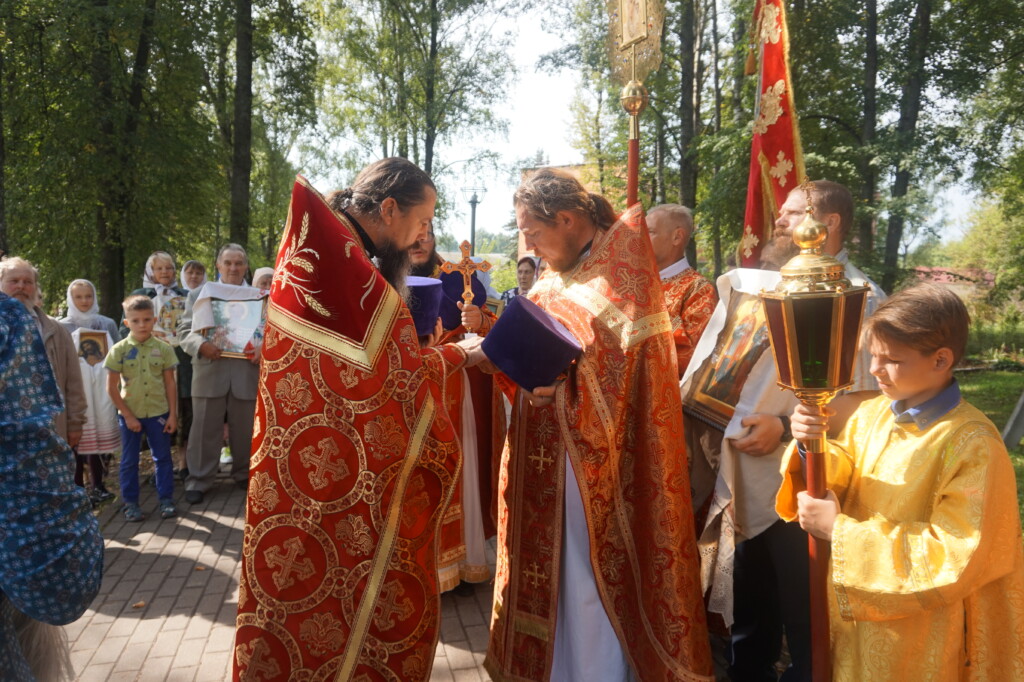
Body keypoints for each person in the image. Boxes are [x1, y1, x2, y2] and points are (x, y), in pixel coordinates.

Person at [234, 159, 487, 680]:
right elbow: (398, 379)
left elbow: (380, 373)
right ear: (388, 209)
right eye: (423, 219)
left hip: (317, 475)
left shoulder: (338, 255)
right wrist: (465, 355)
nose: (424, 234)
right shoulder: (343, 270)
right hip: (327, 483)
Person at [483, 168, 713, 681]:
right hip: (536, 452)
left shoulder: (622, 269)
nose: (533, 248)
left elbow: (630, 377)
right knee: (545, 575)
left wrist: (562, 386)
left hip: (591, 468)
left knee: (585, 578)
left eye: (535, 233)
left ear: (566, 219)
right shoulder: (555, 270)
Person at [682, 180, 884, 681]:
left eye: (792, 213)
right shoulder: (763, 287)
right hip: (747, 478)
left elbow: (865, 401)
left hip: (810, 483)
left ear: (828, 223)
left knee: (807, 616)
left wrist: (785, 428)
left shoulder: (861, 297)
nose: (779, 221)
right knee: (753, 617)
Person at [778, 282, 1024, 679]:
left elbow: (956, 556)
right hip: (857, 617)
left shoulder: (973, 445)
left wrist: (838, 531)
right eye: (873, 355)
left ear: (941, 359)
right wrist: (811, 445)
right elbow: (848, 473)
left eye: (891, 359)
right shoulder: (873, 414)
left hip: (921, 637)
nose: (874, 369)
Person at [0, 291, 104, 680]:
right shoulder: (8, 320)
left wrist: (74, 421)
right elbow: (60, 584)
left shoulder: (28, 324)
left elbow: (70, 382)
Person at [177, 244, 261, 504]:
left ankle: (244, 474)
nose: (233, 268)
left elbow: (271, 332)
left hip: (246, 372)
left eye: (239, 263)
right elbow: (184, 332)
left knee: (246, 429)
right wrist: (201, 345)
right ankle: (199, 479)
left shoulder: (260, 297)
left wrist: (264, 348)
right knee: (203, 430)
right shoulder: (201, 295)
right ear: (218, 265)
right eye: (228, 263)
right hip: (209, 370)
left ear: (246, 267)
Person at [106, 295, 179, 521]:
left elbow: (169, 383)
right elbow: (112, 388)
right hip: (131, 415)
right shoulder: (118, 350)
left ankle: (166, 500)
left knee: (163, 457)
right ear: (127, 323)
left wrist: (173, 415)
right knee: (129, 460)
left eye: (147, 320)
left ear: (154, 320)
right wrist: (127, 416)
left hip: (158, 413)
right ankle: (130, 503)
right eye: (135, 320)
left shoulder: (164, 349)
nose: (142, 325)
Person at [0, 257, 87, 448]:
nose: (21, 286)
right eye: (14, 281)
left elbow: (73, 381)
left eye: (28, 282)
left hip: (50, 428)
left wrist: (75, 424)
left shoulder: (55, 330)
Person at [59, 279, 121, 505]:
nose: (84, 301)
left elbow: (118, 354)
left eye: (88, 296)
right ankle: (77, 488)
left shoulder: (106, 323)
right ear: (71, 299)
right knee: (76, 440)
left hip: (102, 391)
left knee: (98, 441)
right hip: (75, 391)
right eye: (79, 297)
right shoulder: (62, 326)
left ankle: (99, 485)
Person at [646, 203, 718, 377]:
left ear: (677, 237)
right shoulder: (635, 282)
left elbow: (693, 355)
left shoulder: (697, 289)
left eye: (650, 232)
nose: (641, 239)